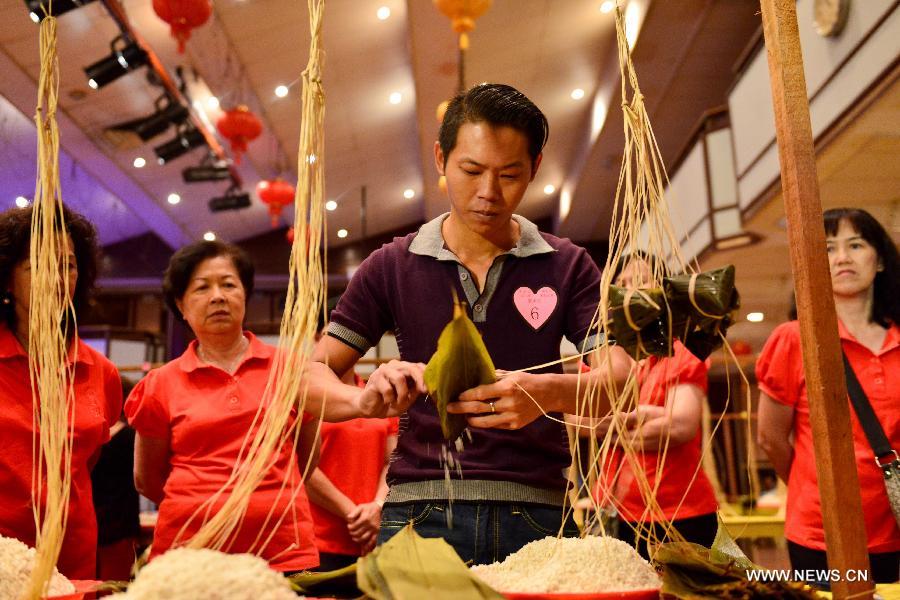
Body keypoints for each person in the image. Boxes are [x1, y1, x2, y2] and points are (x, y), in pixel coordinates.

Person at [309, 83, 627, 564]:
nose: (489, 193)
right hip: (419, 509)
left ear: (535, 168)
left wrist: (546, 395)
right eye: (471, 170)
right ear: (440, 158)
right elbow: (307, 378)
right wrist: (362, 397)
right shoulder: (391, 265)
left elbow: (622, 381)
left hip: (539, 514)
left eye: (510, 175)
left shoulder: (569, 266)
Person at [125, 240, 322, 572]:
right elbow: (147, 478)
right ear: (181, 306)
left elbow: (304, 459)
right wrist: (204, 506)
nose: (218, 296)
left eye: (228, 284)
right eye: (202, 288)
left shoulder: (292, 370)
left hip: (283, 550)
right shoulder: (162, 382)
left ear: (244, 295)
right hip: (188, 552)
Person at [757, 207, 900, 583]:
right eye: (828, 248)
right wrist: (813, 486)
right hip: (820, 534)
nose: (842, 258)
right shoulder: (793, 338)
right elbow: (770, 438)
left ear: (880, 260)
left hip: (896, 526)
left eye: (855, 244)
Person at [0, 205, 123, 579]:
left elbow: (87, 459)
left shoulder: (101, 371)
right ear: (7, 278)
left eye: (68, 265)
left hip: (73, 556)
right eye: (38, 264)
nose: (57, 277)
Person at [580, 252, 718, 559]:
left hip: (679, 511)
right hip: (612, 509)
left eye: (642, 281)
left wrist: (610, 425)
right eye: (623, 283)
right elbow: (578, 418)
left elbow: (680, 425)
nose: (631, 290)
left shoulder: (681, 349)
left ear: (664, 291)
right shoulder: (608, 355)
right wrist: (643, 418)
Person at [306, 358, 398, 570]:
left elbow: (392, 460)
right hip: (320, 538)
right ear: (318, 340)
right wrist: (354, 515)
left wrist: (377, 507)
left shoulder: (378, 396)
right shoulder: (308, 398)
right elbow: (304, 467)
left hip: (374, 536)